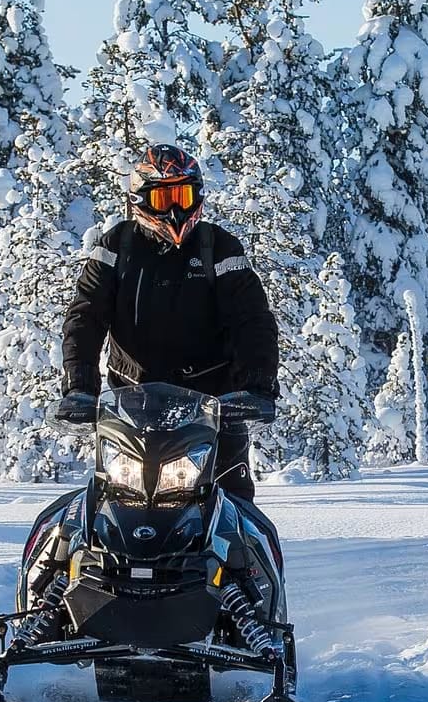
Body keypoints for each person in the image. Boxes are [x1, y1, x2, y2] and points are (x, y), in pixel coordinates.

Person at [57, 144, 279, 503]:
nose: (175, 208)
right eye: (164, 199)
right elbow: (86, 315)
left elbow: (251, 318)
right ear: (140, 200)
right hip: (132, 404)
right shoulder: (117, 245)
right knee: (108, 504)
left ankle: (251, 561)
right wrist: (80, 383)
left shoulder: (218, 247)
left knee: (234, 506)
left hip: (214, 406)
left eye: (183, 195)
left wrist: (258, 382)